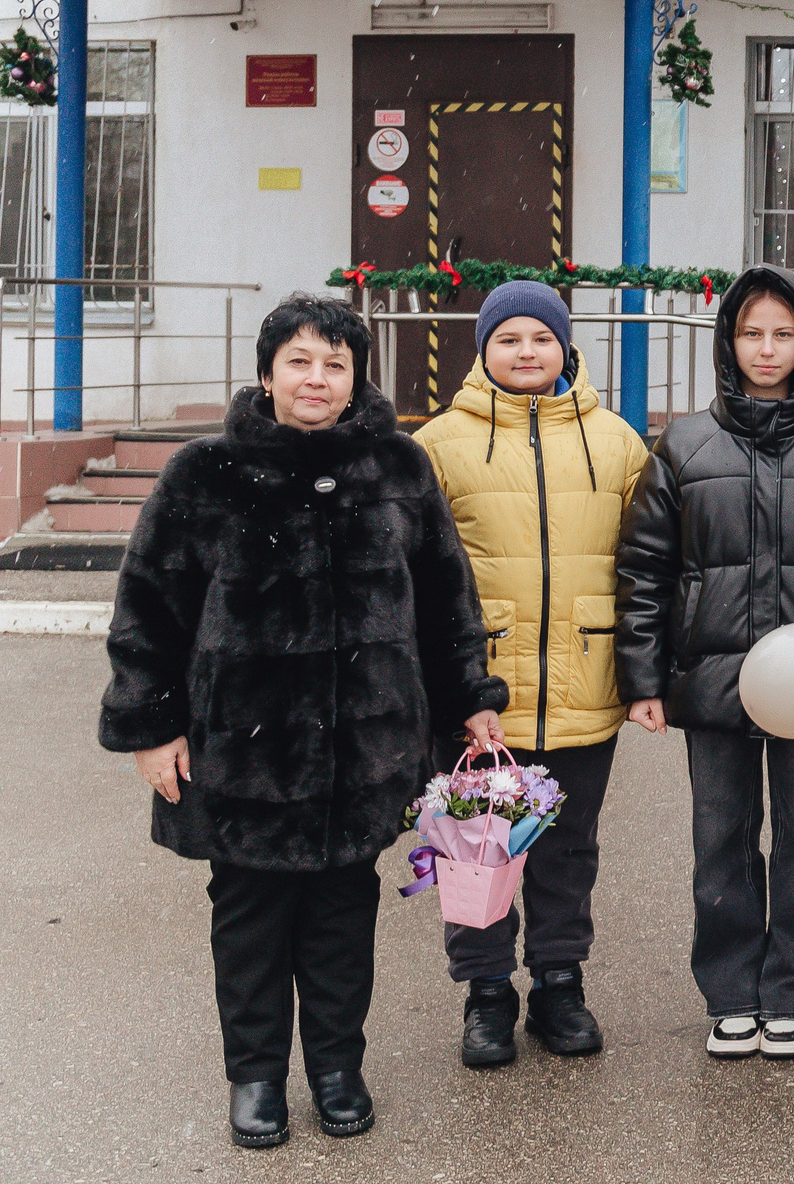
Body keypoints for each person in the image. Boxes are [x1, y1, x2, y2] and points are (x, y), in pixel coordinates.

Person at [100, 294, 507, 1149]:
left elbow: (446, 595)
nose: (316, 378)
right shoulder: (204, 472)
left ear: (356, 379)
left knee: (342, 913)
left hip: (365, 749)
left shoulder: (398, 468)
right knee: (248, 916)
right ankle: (255, 1075)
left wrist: (470, 694)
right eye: (299, 360)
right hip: (241, 754)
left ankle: (335, 1067)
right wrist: (151, 726)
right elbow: (148, 606)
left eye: (334, 363)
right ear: (266, 372)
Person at [617, 266, 794, 1061]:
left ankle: (793, 991)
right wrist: (644, 678)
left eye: (784, 334)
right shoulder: (685, 443)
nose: (767, 349)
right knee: (721, 837)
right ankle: (731, 993)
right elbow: (645, 568)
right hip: (714, 677)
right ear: (728, 342)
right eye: (751, 333)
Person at [414, 280, 651, 1068]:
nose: (526, 351)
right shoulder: (439, 444)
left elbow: (645, 562)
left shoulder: (616, 441)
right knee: (476, 848)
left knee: (567, 849)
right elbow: (419, 577)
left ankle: (559, 983)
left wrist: (644, 671)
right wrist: (447, 686)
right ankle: (486, 992)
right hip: (479, 696)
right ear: (483, 347)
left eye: (541, 337)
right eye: (508, 338)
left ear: (564, 345)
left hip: (585, 682)